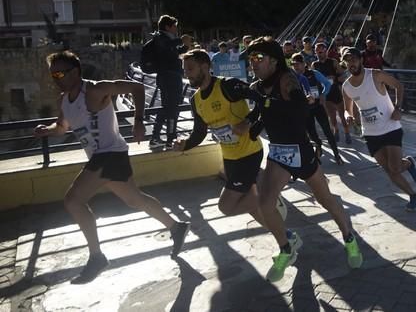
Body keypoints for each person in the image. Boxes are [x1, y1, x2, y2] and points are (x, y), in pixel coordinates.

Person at [34, 51, 189, 283]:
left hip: (110, 154)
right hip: (101, 157)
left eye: (59, 73)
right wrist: (46, 130)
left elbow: (136, 88)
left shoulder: (96, 89)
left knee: (73, 200)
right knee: (135, 200)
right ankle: (177, 228)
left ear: (75, 72)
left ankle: (97, 257)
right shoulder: (64, 101)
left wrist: (138, 121)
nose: (55, 78)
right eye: (52, 75)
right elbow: (62, 126)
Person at [246, 38, 363, 282]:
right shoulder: (257, 86)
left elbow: (300, 109)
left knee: (326, 200)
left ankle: (349, 237)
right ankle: (287, 249)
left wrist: (267, 104)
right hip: (278, 152)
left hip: (300, 151)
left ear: (273, 60)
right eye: (250, 59)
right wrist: (251, 126)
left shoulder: (286, 79)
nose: (253, 63)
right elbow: (260, 115)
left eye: (257, 58)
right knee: (264, 204)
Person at [172, 50, 294, 242]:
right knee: (250, 207)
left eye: (190, 68)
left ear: (205, 66)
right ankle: (285, 236)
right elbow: (200, 132)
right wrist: (184, 144)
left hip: (249, 152)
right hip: (229, 158)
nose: (186, 73)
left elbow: (263, 101)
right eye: (184, 69)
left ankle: (268, 196)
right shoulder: (195, 100)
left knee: (226, 206)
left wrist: (248, 121)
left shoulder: (228, 85)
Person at [340, 47, 416, 211]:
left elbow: (399, 86)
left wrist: (398, 108)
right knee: (390, 172)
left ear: (360, 60)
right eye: (347, 61)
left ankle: (408, 164)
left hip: (390, 127)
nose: (351, 64)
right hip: (370, 134)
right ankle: (413, 195)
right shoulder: (346, 87)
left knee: (396, 168)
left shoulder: (376, 75)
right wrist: (348, 115)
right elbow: (346, 108)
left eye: (354, 59)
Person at [290, 52, 343, 165]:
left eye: (299, 64)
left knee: (327, 131)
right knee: (312, 134)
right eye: (294, 64)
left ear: (304, 64)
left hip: (318, 106)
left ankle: (337, 155)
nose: (296, 67)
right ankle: (318, 149)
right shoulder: (292, 78)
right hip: (305, 110)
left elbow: (327, 84)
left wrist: (323, 94)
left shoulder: (314, 73)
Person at [149, 15, 189, 149]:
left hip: (170, 78)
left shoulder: (166, 39)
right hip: (169, 79)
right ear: (167, 27)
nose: (176, 29)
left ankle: (157, 137)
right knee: (171, 108)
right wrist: (180, 40)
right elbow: (166, 48)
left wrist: (185, 47)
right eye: (174, 26)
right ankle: (169, 138)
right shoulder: (161, 38)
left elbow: (171, 53)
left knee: (167, 108)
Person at [312, 41, 352, 144]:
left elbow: (343, 76)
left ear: (326, 51)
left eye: (321, 52)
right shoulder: (314, 65)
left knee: (342, 116)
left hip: (336, 92)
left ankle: (347, 133)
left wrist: (335, 79)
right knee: (332, 116)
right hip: (326, 94)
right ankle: (336, 131)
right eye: (317, 52)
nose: (319, 54)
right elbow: (313, 80)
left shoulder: (333, 62)